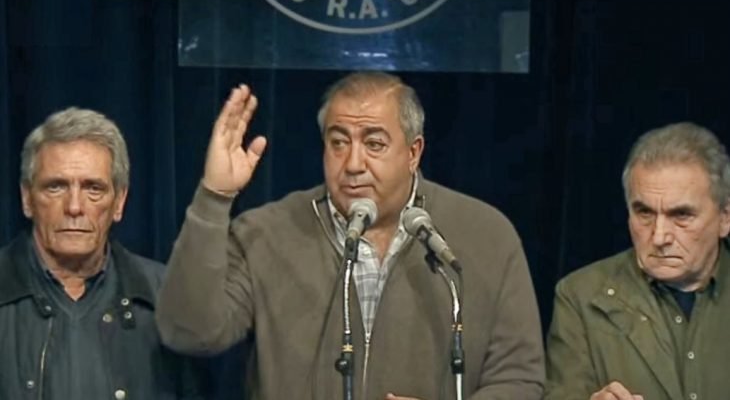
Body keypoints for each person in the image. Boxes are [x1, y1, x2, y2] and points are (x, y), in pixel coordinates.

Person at [156, 71, 544, 399]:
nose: (353, 163)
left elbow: (520, 379)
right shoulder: (266, 233)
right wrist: (214, 198)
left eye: (374, 144)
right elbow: (189, 332)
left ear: (413, 152)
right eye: (338, 143)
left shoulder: (485, 236)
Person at [0, 108, 204, 399]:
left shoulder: (165, 299)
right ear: (27, 199)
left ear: (119, 202)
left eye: (93, 188)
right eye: (56, 187)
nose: (74, 207)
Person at [545, 122, 730, 400]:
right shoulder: (581, 296)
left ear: (725, 217)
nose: (659, 236)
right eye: (644, 213)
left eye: (681, 215)